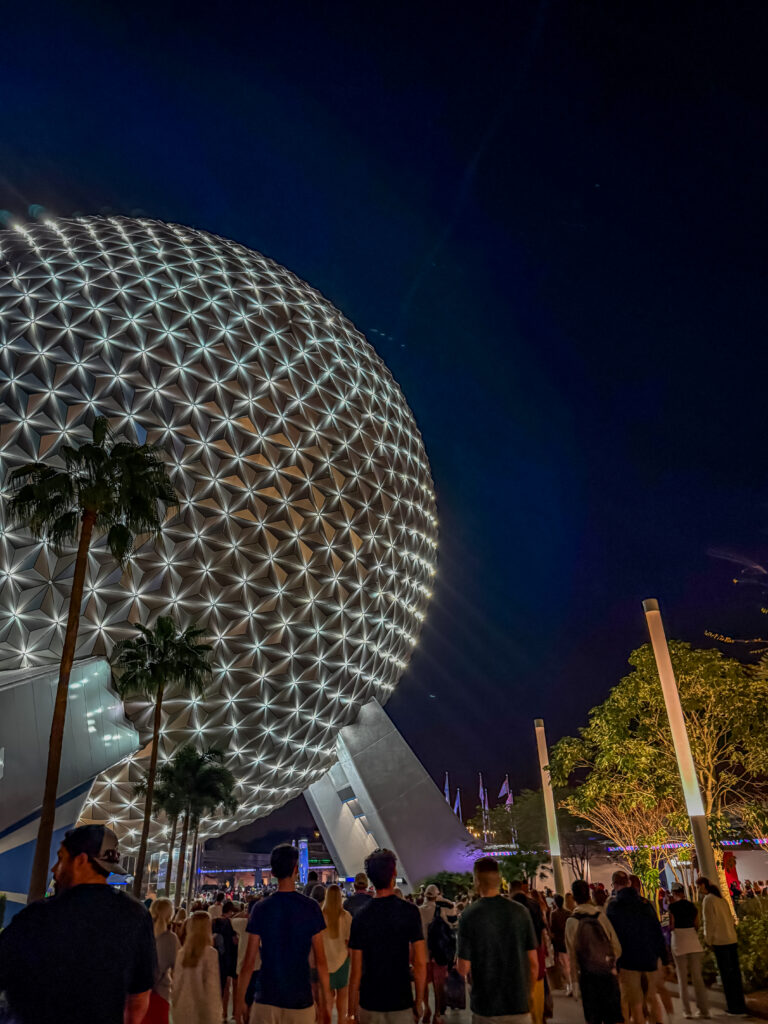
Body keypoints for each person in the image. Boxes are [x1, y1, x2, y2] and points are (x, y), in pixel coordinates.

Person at [0, 824, 155, 1024]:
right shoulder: (136, 916)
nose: (54, 870)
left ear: (81, 860)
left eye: (61, 858)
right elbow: (138, 1001)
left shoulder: (38, 916)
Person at [235, 843, 331, 1024]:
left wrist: (239, 1001)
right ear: (296, 869)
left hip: (266, 998)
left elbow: (248, 962)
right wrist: (326, 1001)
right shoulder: (311, 908)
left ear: (273, 872)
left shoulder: (261, 909)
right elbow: (321, 961)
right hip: (300, 1000)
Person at [348, 847, 427, 1024]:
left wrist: (351, 1012)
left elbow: (356, 971)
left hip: (369, 1004)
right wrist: (419, 1001)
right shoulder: (409, 912)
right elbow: (420, 963)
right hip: (401, 1002)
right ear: (394, 874)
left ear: (370, 879)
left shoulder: (361, 916)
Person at [456, 855, 538, 1022]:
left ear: (476, 881)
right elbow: (533, 963)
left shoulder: (468, 915)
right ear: (499, 879)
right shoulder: (520, 912)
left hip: (486, 1007)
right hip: (518, 1004)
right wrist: (529, 993)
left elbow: (463, 968)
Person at [605, 870, 666, 1024]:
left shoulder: (613, 907)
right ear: (629, 883)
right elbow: (656, 931)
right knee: (652, 997)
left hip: (627, 960)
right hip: (650, 958)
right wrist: (664, 957)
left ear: (614, 885)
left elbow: (611, 936)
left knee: (636, 1003)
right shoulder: (645, 904)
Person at [565, 879, 622, 1024]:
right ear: (589, 895)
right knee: (613, 1018)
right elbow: (616, 946)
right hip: (607, 974)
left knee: (593, 1018)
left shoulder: (571, 922)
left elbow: (572, 956)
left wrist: (575, 984)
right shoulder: (600, 916)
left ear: (574, 897)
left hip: (587, 978)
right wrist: (610, 963)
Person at [696, 877, 747, 1016]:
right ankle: (741, 1005)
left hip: (720, 942)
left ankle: (733, 1006)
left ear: (703, 885)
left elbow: (709, 922)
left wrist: (708, 940)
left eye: (698, 887)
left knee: (726, 975)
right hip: (731, 939)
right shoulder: (721, 900)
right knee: (735, 974)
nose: (698, 890)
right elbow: (730, 919)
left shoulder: (708, 900)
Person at [172, 910, 222, 1024]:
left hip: (182, 1010)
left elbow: (176, 985)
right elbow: (212, 989)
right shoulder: (210, 953)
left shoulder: (182, 953)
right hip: (202, 1013)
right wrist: (215, 1017)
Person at [668, 882, 709, 1019]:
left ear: (674, 893)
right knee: (698, 978)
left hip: (679, 942)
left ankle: (687, 1011)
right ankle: (704, 1010)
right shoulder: (692, 906)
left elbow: (672, 925)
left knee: (682, 978)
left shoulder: (672, 907)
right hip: (693, 941)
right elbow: (696, 924)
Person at [419, 883, 458, 1023]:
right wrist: (445, 900)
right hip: (439, 954)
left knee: (423, 984)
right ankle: (437, 1014)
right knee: (439, 986)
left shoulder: (419, 910)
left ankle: (426, 1009)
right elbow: (454, 920)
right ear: (438, 895)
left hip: (423, 954)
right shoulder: (443, 910)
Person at [509, 879, 546, 1024]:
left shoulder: (510, 909)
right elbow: (543, 931)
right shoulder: (535, 905)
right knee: (537, 996)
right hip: (537, 953)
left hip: (517, 959)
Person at [145, 896, 181, 1024]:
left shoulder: (142, 933)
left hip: (138, 993)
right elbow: (179, 969)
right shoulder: (171, 939)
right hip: (160, 994)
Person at [321, 884, 353, 1022]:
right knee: (343, 997)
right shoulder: (346, 916)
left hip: (324, 963)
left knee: (327, 1000)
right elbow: (349, 942)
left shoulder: (320, 916)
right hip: (342, 961)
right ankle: (341, 1020)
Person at [213, 899, 239, 1019]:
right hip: (231, 956)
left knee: (223, 986)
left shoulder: (215, 922)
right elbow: (235, 940)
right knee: (233, 985)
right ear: (230, 911)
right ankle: (234, 1012)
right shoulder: (230, 923)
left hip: (219, 956)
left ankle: (222, 1013)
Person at [549, 893, 573, 994]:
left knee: (564, 964)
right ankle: (573, 983)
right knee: (570, 963)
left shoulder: (554, 914)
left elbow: (552, 928)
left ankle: (569, 984)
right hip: (568, 939)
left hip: (559, 941)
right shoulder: (568, 913)